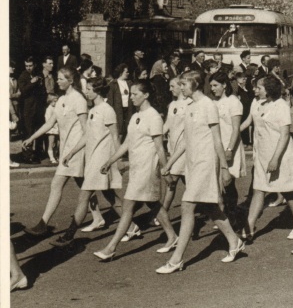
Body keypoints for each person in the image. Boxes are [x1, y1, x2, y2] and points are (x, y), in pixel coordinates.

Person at [155, 71, 243, 273]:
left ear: (194, 84)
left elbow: (217, 139)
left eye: (183, 84)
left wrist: (224, 168)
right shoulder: (190, 106)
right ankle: (234, 241)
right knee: (210, 207)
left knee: (187, 206)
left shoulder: (208, 105)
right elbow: (186, 140)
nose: (181, 87)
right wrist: (170, 163)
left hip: (206, 162)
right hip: (192, 163)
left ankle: (176, 260)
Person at [93, 80, 178, 261]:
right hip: (136, 167)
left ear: (146, 95)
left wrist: (166, 170)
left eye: (135, 94)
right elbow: (127, 143)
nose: (131, 98)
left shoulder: (154, 117)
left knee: (128, 205)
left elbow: (160, 147)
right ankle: (172, 236)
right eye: (130, 94)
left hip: (148, 168)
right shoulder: (135, 116)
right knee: (153, 203)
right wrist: (111, 161)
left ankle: (111, 247)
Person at [22, 67, 102, 236]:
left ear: (70, 81)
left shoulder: (78, 100)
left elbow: (86, 129)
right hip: (67, 151)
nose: (57, 81)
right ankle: (99, 218)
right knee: (85, 185)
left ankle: (43, 223)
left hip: (76, 150)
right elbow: (49, 123)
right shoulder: (61, 100)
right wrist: (31, 138)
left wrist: (75, 151)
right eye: (57, 78)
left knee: (56, 184)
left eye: (60, 79)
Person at [49, 77, 127, 247]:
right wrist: (71, 153)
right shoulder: (93, 110)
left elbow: (115, 136)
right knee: (110, 196)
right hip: (93, 159)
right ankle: (132, 226)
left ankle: (69, 235)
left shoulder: (107, 110)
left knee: (84, 196)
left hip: (103, 160)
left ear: (97, 91)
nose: (86, 92)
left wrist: (118, 160)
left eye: (89, 89)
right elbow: (87, 136)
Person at [238, 76, 293, 243]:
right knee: (259, 189)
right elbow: (248, 121)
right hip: (262, 154)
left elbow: (284, 135)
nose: (255, 90)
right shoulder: (257, 103)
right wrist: (232, 134)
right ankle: (249, 227)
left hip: (280, 155)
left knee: (288, 190)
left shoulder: (281, 106)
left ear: (268, 89)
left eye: (258, 87)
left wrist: (275, 159)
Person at [209, 71, 246, 225]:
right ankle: (226, 215)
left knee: (228, 182)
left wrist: (230, 149)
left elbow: (236, 129)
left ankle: (233, 218)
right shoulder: (213, 103)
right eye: (211, 86)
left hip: (230, 146)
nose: (212, 89)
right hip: (216, 147)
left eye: (215, 85)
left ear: (224, 85)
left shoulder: (233, 102)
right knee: (219, 182)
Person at [159, 76, 191, 215]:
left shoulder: (190, 103)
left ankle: (162, 213)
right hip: (172, 149)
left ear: (180, 86)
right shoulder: (172, 105)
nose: (170, 89)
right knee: (187, 181)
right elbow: (167, 125)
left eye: (173, 86)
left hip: (184, 149)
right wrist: (156, 136)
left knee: (172, 180)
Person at [19, 56, 46, 163]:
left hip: (38, 108)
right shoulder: (23, 76)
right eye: (26, 66)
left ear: (34, 65)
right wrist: (32, 83)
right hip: (28, 109)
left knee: (39, 130)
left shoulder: (38, 74)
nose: (28, 68)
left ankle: (38, 153)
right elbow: (23, 91)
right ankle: (27, 156)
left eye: (30, 65)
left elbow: (42, 89)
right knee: (28, 132)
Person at [107, 63, 133, 143]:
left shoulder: (129, 83)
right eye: (126, 72)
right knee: (119, 128)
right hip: (118, 109)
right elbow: (110, 99)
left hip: (128, 109)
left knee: (128, 127)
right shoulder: (113, 84)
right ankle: (117, 147)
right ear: (121, 72)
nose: (128, 73)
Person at [235, 70, 254, 147]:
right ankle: (244, 141)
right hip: (241, 109)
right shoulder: (237, 89)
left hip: (247, 108)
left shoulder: (246, 88)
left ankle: (247, 141)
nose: (245, 81)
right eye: (243, 79)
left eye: (245, 79)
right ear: (238, 80)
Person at [44, 93, 60, 164]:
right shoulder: (49, 109)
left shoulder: (57, 108)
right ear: (50, 101)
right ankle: (51, 157)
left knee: (58, 143)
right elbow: (48, 120)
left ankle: (56, 155)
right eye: (54, 101)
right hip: (52, 129)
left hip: (57, 128)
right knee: (51, 143)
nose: (56, 103)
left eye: (57, 101)